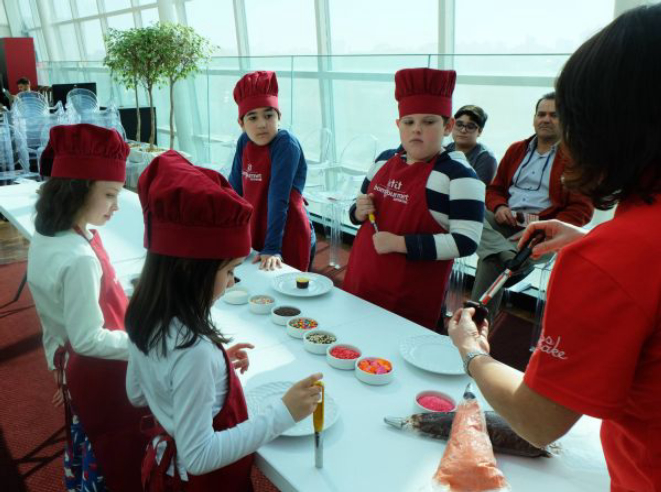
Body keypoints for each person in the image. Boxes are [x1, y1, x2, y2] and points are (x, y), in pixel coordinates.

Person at [449, 5, 661, 491]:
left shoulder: (610, 257)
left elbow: (538, 421)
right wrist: (588, 241)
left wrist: (471, 351)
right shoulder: (619, 246)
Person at [125, 150, 323, 490]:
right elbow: (199, 456)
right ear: (191, 270)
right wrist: (285, 412)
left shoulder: (144, 311)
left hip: (164, 471)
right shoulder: (194, 351)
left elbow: (137, 393)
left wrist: (211, 378)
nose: (232, 282)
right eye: (229, 271)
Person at [27, 124, 148, 491]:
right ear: (78, 189)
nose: (116, 206)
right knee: (116, 451)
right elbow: (88, 339)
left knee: (91, 439)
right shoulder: (79, 257)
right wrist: (149, 345)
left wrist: (58, 363)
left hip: (77, 368)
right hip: (103, 373)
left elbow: (54, 314)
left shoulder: (52, 234)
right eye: (110, 194)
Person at [343, 68, 485, 330]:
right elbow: (355, 210)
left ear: (448, 126)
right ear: (398, 125)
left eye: (428, 122)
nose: (416, 129)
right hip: (361, 279)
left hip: (409, 295)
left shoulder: (460, 175)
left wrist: (399, 243)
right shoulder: (383, 159)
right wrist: (358, 211)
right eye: (408, 122)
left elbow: (466, 241)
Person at [469, 92, 593, 321]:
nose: (546, 119)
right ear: (534, 118)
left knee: (491, 261)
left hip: (542, 231)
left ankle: (474, 323)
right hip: (505, 221)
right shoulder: (516, 149)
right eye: (541, 114)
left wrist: (546, 228)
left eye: (554, 115)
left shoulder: (577, 158)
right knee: (467, 211)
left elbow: (581, 210)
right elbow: (494, 190)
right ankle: (508, 255)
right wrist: (499, 207)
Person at [228, 70, 315, 272]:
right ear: (241, 124)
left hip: (287, 233)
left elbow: (278, 198)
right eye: (252, 117)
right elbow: (234, 191)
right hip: (257, 228)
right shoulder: (244, 141)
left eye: (268, 115)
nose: (262, 124)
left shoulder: (285, 144)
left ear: (279, 117)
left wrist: (273, 247)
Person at [445, 104, 497, 185]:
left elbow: (476, 189)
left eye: (470, 126)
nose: (463, 130)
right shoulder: (444, 150)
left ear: (479, 132)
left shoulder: (486, 158)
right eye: (459, 124)